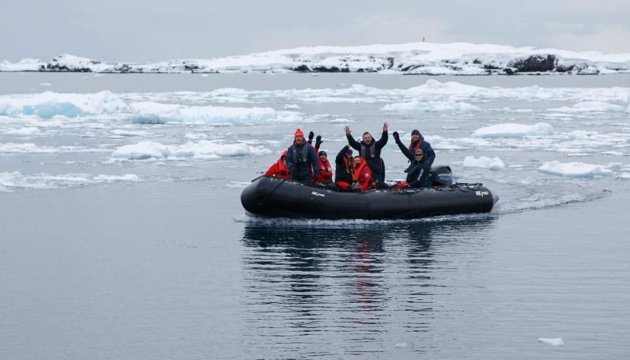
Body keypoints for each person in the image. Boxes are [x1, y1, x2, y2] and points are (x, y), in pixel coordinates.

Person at [344, 123, 388, 187]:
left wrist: (385, 132)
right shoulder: (360, 146)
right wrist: (348, 135)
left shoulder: (377, 145)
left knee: (379, 185)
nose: (367, 139)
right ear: (363, 139)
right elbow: (352, 143)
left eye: (368, 137)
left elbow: (384, 140)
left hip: (376, 171)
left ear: (371, 138)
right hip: (365, 171)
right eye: (365, 138)